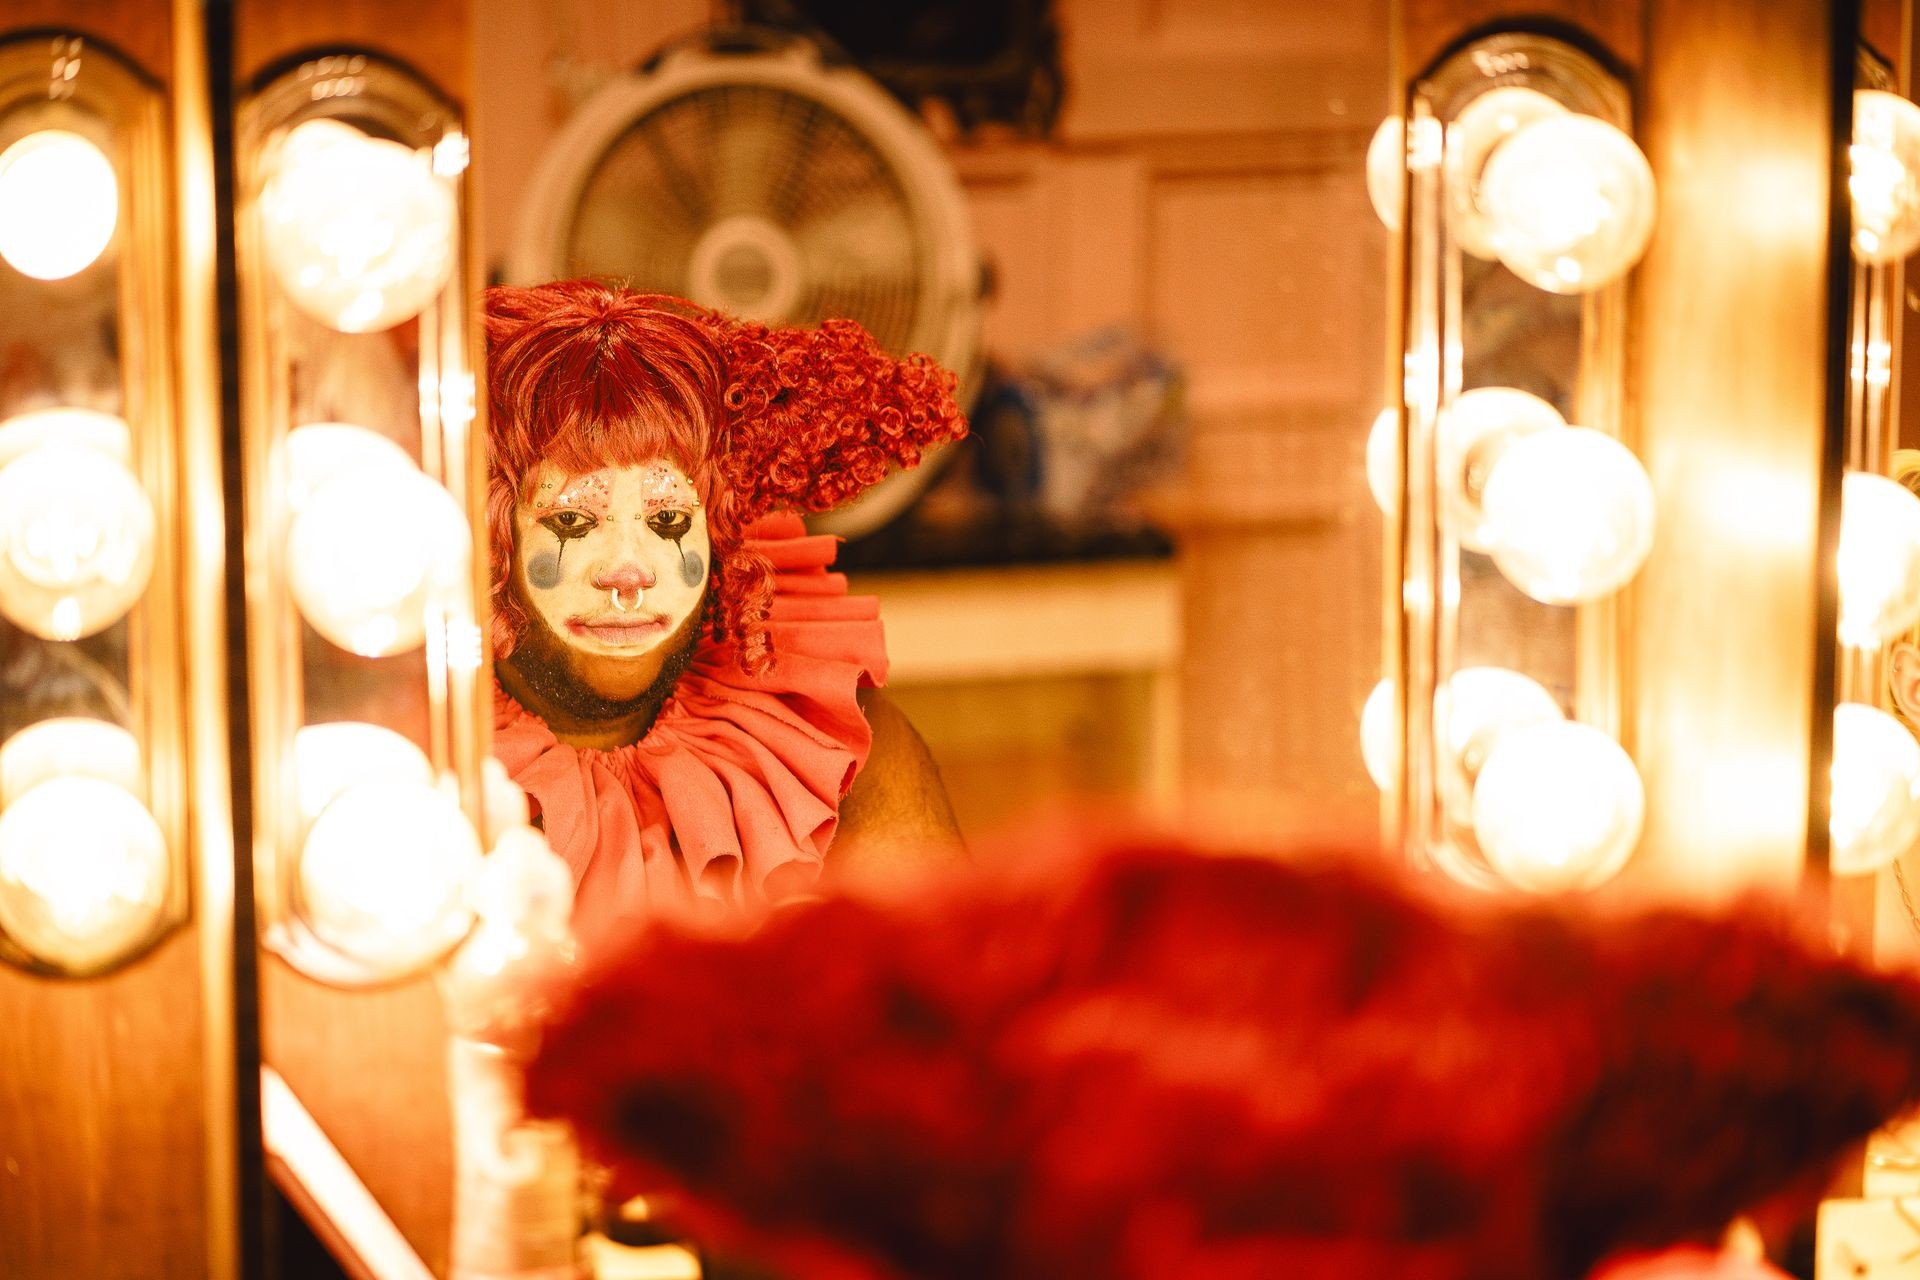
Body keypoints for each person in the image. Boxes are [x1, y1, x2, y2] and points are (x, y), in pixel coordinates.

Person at [485, 281, 967, 946]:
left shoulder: (835, 746)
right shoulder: (407, 757)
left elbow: (945, 1002)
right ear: (490, 539)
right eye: (572, 519)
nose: (630, 573)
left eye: (667, 519)